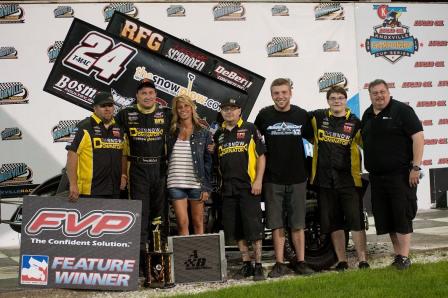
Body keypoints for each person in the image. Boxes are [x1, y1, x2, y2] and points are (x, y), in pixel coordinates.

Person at [361, 79, 424, 270]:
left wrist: (415, 167)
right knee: (387, 218)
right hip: (377, 177)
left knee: (402, 216)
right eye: (375, 93)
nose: (379, 96)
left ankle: (405, 257)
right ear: (370, 95)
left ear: (388, 92)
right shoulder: (368, 114)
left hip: (401, 175)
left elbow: (418, 138)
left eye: (382, 92)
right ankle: (398, 255)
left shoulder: (402, 111)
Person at [254, 78, 314, 277]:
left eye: (283, 92)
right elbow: (254, 143)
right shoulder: (263, 116)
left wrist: (310, 169)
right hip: (272, 178)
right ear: (272, 95)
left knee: (298, 223)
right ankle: (279, 263)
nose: (280, 96)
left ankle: (301, 262)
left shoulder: (302, 115)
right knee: (276, 223)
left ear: (290, 93)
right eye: (276, 93)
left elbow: (316, 141)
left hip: (298, 177)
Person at [308, 86, 369, 271]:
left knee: (356, 222)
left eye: (340, 98)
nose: (337, 101)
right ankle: (342, 261)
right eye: (333, 98)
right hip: (325, 181)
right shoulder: (317, 118)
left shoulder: (356, 122)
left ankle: (362, 260)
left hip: (349, 181)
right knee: (334, 223)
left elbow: (371, 145)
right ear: (328, 100)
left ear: (345, 100)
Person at [115, 79, 170, 271]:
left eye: (151, 93)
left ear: (156, 96)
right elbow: (114, 142)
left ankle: (159, 259)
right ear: (137, 96)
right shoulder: (125, 113)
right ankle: (139, 261)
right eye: (143, 93)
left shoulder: (166, 113)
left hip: (160, 168)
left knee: (160, 215)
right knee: (140, 214)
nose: (148, 96)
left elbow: (188, 128)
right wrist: (122, 173)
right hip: (137, 169)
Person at [214, 98, 266, 281]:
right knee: (235, 228)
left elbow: (261, 156)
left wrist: (258, 180)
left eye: (233, 109)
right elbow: (217, 163)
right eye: (225, 109)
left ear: (239, 111)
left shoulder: (250, 129)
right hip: (228, 189)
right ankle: (246, 264)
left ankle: (259, 265)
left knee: (253, 228)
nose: (229, 112)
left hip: (249, 187)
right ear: (221, 112)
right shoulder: (218, 134)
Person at [66, 91, 126, 201]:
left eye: (110, 105)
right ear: (95, 108)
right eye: (103, 106)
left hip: (114, 190)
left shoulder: (119, 128)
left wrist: (123, 174)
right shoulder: (83, 127)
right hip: (91, 191)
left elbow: (122, 154)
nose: (107, 108)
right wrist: (73, 184)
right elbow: (71, 155)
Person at [167, 95, 213, 235]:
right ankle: (185, 256)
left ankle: (201, 254)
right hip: (175, 182)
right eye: (179, 107)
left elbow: (207, 162)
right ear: (176, 110)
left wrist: (205, 187)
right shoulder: (170, 131)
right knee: (182, 223)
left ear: (192, 108)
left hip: (196, 183)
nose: (183, 110)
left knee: (198, 222)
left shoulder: (203, 132)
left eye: (186, 106)